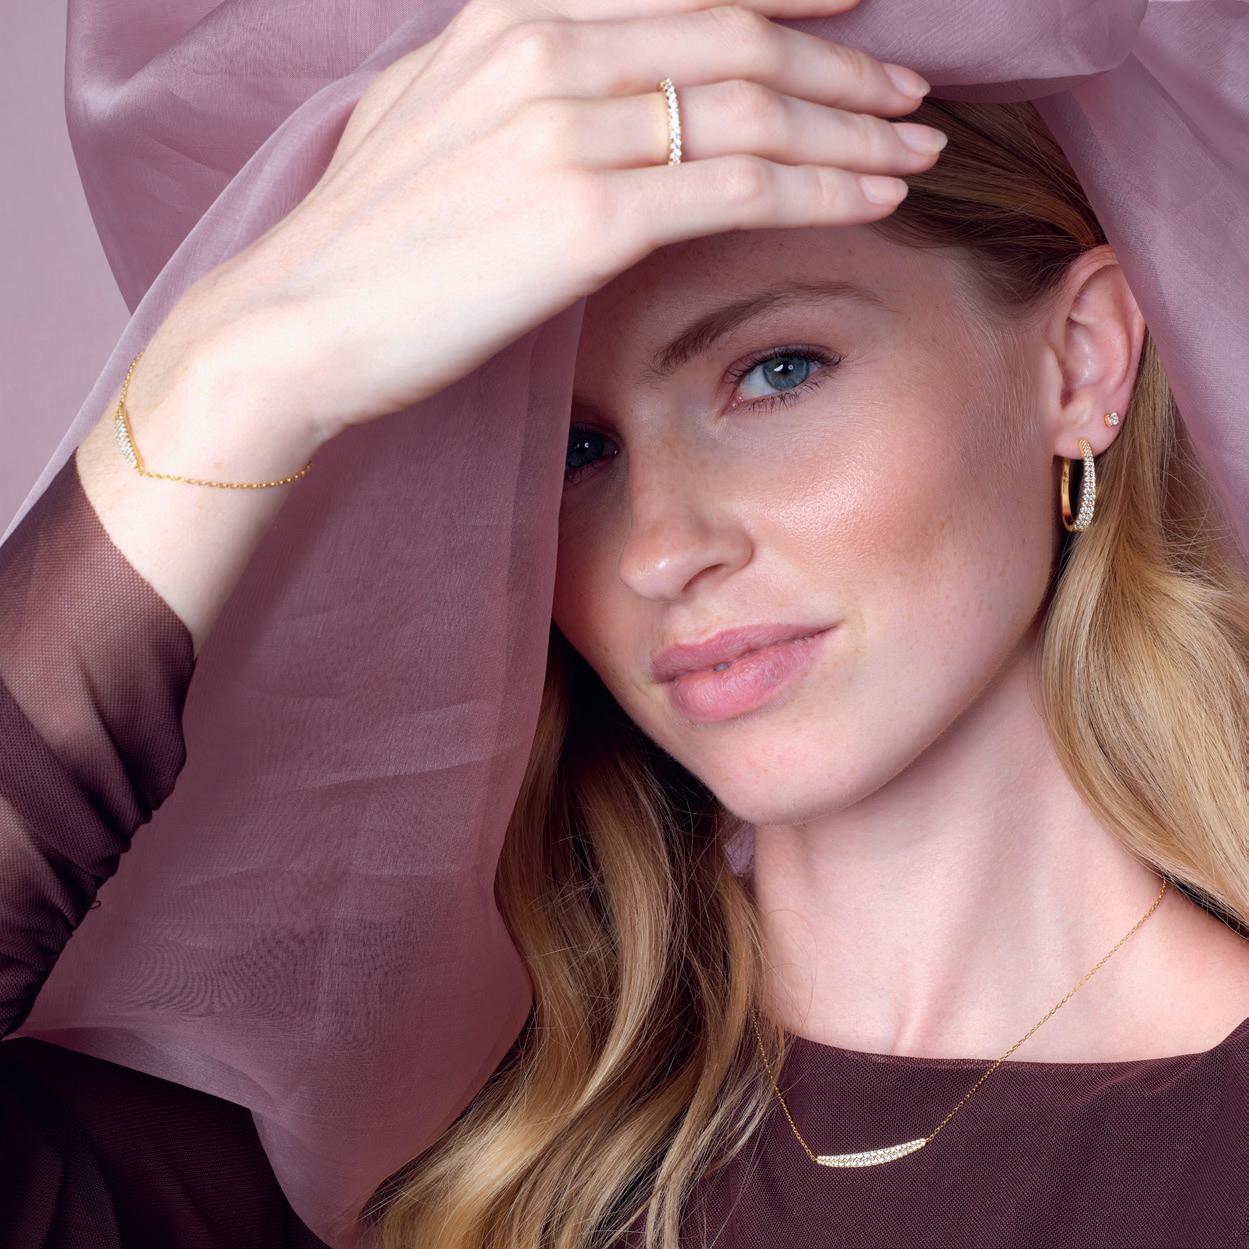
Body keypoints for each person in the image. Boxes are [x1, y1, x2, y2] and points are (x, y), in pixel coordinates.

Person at [4, 2, 1249, 1247]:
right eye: (573, 451)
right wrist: (234, 368)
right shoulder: (404, 1137)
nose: (658, 550)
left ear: (1079, 359)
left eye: (775, 371)